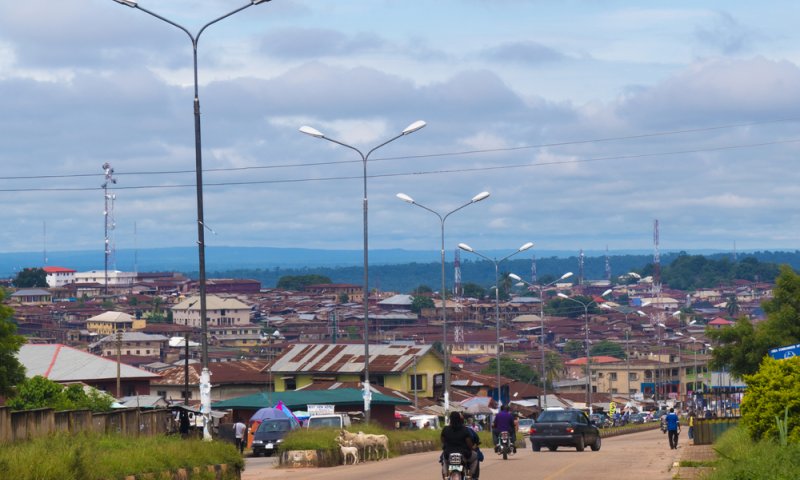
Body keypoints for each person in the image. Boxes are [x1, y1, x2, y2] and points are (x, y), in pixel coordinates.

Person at [441, 411, 478, 479]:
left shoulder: (445, 429)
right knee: (475, 457)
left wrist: (446, 446)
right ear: (459, 419)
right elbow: (469, 443)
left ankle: (445, 476)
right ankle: (470, 475)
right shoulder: (465, 429)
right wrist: (472, 448)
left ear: (450, 419)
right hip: (464, 454)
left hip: (449, 454)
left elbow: (443, 441)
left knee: (444, 461)